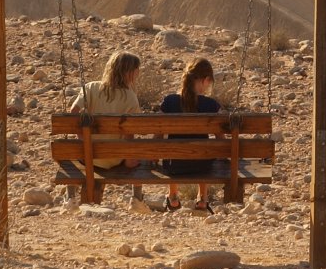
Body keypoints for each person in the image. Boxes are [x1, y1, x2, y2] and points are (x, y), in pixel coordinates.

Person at [70, 50, 145, 208]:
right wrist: (129, 158)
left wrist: (82, 140)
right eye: (136, 70)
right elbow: (130, 134)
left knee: (68, 152)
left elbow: (73, 112)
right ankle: (137, 199)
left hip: (87, 155)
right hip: (114, 158)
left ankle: (70, 197)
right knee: (139, 152)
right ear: (129, 73)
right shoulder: (130, 98)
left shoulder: (90, 87)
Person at [159, 57, 221, 213]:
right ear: (205, 80)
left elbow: (159, 135)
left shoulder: (170, 102)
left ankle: (173, 196)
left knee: (172, 148)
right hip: (203, 166)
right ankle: (202, 198)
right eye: (209, 83)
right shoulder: (211, 105)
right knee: (204, 149)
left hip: (174, 166)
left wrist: (152, 157)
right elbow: (220, 140)